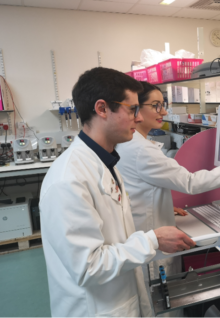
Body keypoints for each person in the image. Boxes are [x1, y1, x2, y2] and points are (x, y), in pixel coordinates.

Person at [39, 68, 195, 317]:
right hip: (95, 308)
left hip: (121, 298)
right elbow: (88, 266)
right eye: (132, 109)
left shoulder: (106, 162)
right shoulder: (68, 180)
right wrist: (152, 240)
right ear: (102, 109)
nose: (139, 118)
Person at [116, 82, 220, 308]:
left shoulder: (132, 144)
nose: (164, 112)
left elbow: (141, 189)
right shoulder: (140, 150)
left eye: (163, 105)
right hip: (151, 242)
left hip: (144, 229)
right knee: (159, 303)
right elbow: (189, 182)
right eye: (156, 106)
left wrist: (162, 206)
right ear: (136, 109)